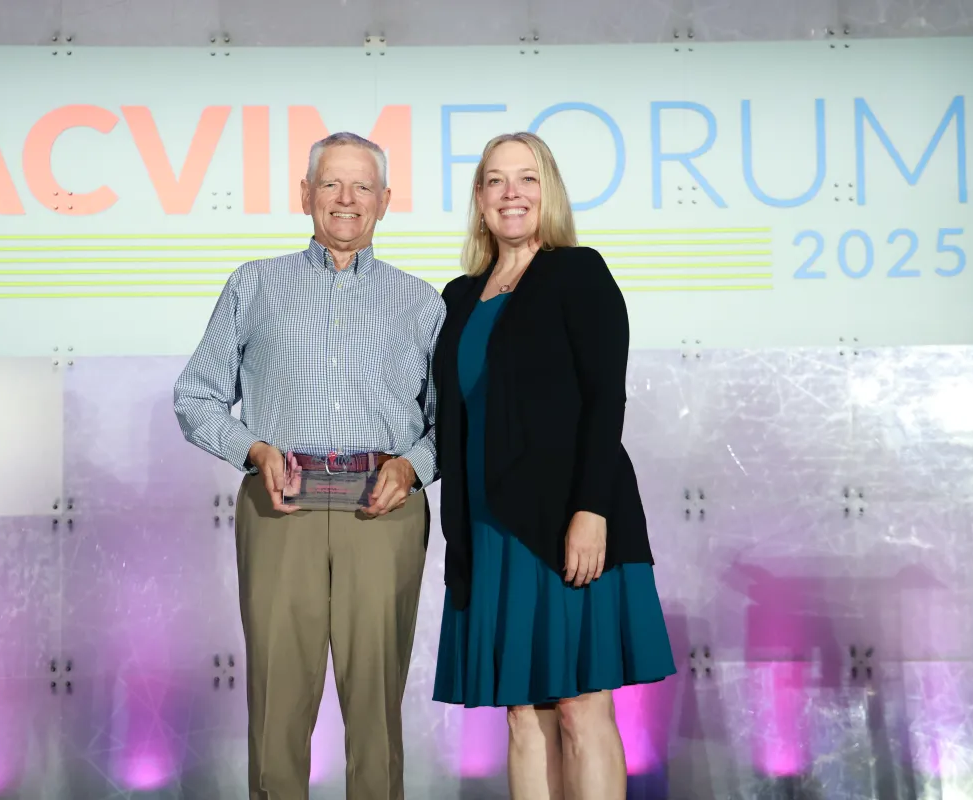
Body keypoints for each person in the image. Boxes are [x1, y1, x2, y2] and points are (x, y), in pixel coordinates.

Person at [173, 132, 445, 800]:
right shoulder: (256, 283)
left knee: (376, 706)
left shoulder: (423, 302)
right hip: (280, 506)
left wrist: (412, 467)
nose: (346, 200)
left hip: (383, 512)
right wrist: (253, 450)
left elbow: (451, 424)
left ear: (384, 200)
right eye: (331, 184)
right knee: (277, 701)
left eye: (361, 187)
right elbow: (195, 396)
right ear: (305, 196)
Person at [430, 132, 676, 800]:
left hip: (568, 519)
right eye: (496, 181)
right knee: (523, 713)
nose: (512, 193)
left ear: (550, 192)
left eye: (527, 179)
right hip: (489, 528)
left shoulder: (578, 273)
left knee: (580, 706)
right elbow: (452, 417)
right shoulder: (456, 298)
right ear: (480, 201)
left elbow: (605, 398)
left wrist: (590, 511)